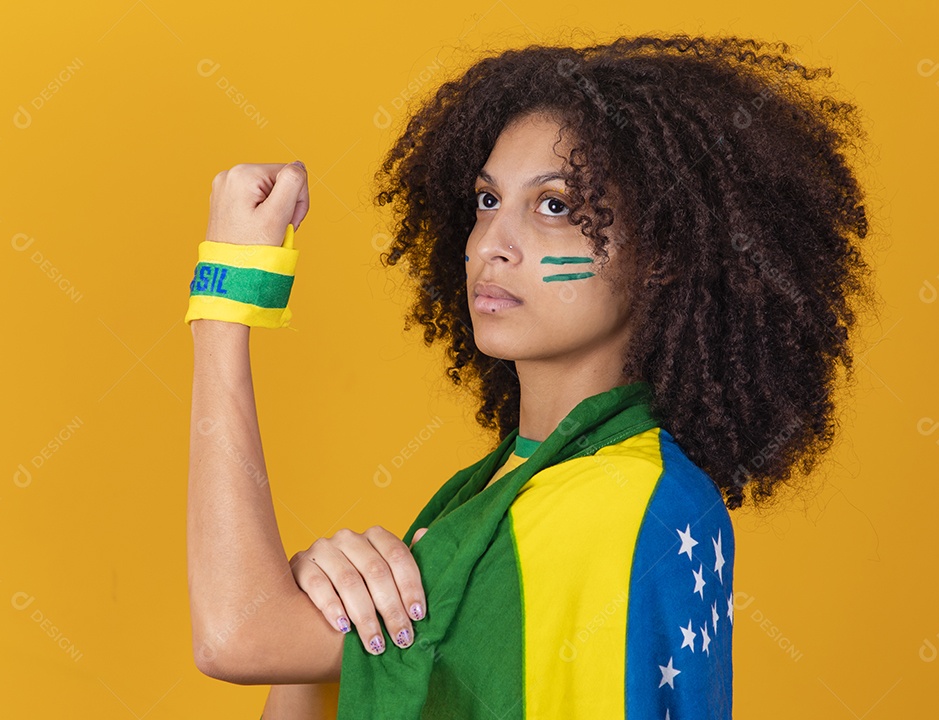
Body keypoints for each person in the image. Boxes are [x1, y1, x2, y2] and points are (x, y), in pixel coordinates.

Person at [186, 33, 875, 719]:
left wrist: (227, 293)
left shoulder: (606, 504)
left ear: (660, 254)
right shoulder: (501, 492)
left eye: (554, 206)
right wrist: (317, 602)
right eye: (488, 201)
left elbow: (233, 638)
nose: (492, 245)